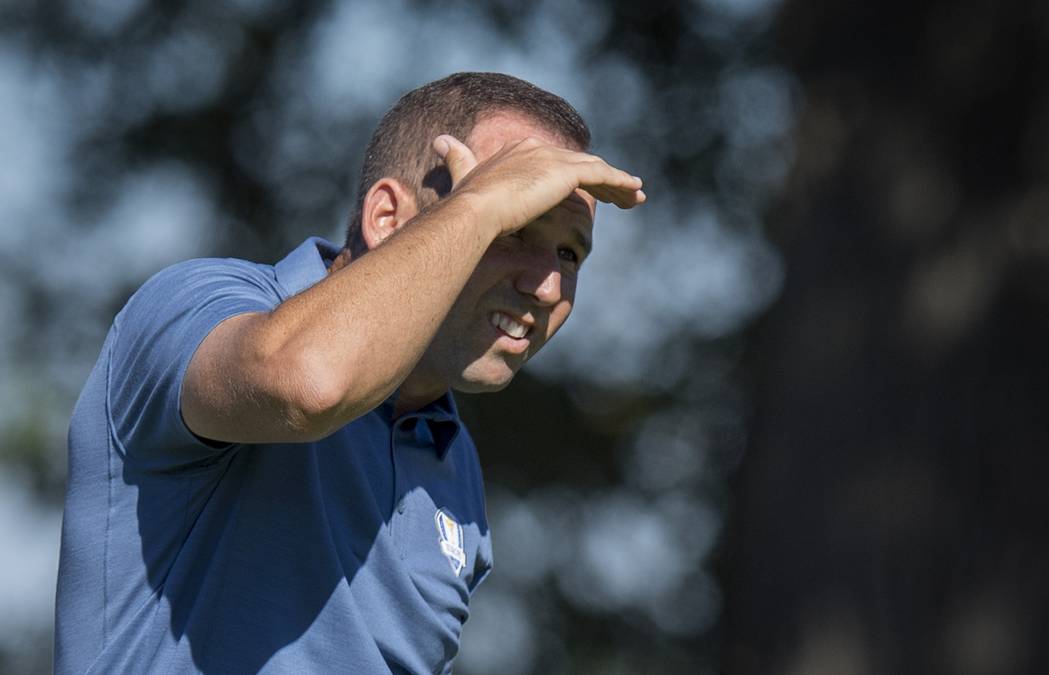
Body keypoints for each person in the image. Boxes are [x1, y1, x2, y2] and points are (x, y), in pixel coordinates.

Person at [53, 72, 646, 674]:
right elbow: (306, 385)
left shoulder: (456, 467)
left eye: (569, 253)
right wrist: (481, 206)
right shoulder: (195, 305)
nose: (546, 285)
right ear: (388, 217)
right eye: (515, 227)